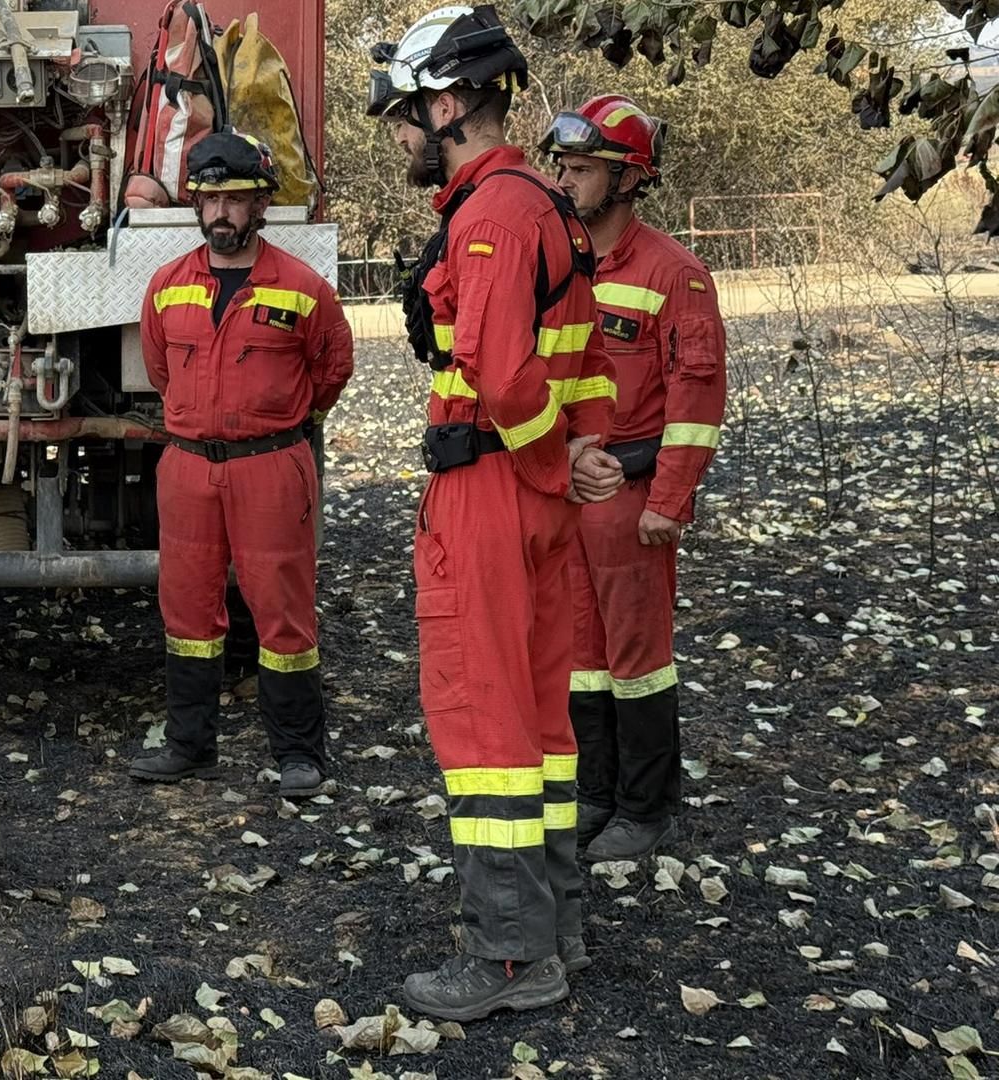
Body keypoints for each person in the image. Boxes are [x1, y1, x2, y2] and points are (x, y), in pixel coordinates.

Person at [368, 3, 624, 1021]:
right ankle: (555, 928)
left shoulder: (488, 216)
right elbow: (586, 358)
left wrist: (560, 459)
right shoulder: (547, 205)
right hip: (537, 506)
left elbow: (508, 376)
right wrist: (588, 448)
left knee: (482, 723)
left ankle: (510, 959)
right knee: (541, 723)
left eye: (401, 113)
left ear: (449, 101)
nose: (396, 135)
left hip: (491, 493)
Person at [123, 131, 353, 796]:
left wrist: (270, 419)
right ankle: (189, 745)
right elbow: (162, 369)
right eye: (210, 199)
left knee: (283, 610)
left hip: (271, 465)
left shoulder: (305, 289)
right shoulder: (168, 288)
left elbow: (331, 370)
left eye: (236, 200)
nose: (221, 212)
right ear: (196, 206)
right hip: (190, 467)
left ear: (262, 206)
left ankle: (299, 754)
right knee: (188, 611)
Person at [540, 95, 727, 860]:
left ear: (626, 180)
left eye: (580, 170)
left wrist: (671, 502)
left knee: (638, 658)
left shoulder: (674, 274)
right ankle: (596, 795)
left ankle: (646, 810)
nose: (565, 182)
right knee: (580, 655)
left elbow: (697, 399)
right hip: (571, 494)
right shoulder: (560, 266)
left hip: (634, 495)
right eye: (562, 167)